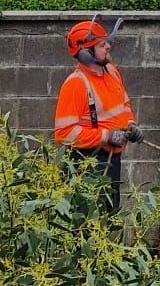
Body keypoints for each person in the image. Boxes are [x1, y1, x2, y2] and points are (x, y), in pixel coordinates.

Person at [53, 17, 135, 212]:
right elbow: (64, 133)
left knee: (110, 215)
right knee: (86, 222)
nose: (108, 47)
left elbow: (124, 105)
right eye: (101, 44)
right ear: (85, 54)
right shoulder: (76, 84)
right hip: (87, 164)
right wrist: (106, 135)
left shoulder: (112, 72)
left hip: (112, 160)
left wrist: (131, 124)